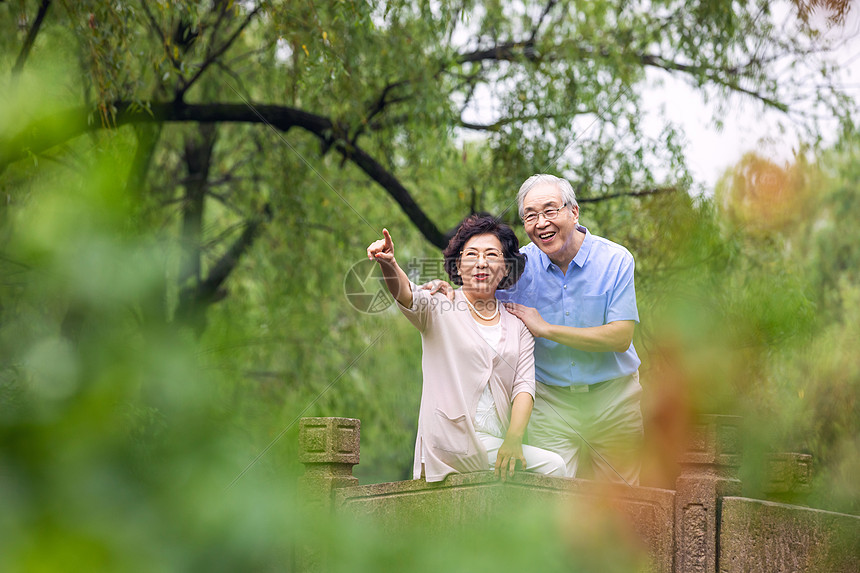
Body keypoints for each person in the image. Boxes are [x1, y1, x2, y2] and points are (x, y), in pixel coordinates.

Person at [428, 174, 644, 485]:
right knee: (550, 500)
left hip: (613, 400)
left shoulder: (615, 260)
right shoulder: (519, 266)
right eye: (530, 215)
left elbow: (621, 337)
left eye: (550, 210)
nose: (541, 222)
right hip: (551, 406)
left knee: (622, 504)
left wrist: (546, 329)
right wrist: (446, 290)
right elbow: (481, 294)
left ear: (574, 212)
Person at [366, 215, 565, 483]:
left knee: (553, 466)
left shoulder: (518, 326)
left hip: (496, 444)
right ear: (458, 265)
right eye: (471, 254)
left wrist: (514, 440)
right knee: (553, 466)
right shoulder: (440, 306)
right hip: (450, 443)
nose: (481, 262)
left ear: (506, 268)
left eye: (492, 255)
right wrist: (389, 263)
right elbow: (407, 294)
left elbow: (524, 387)